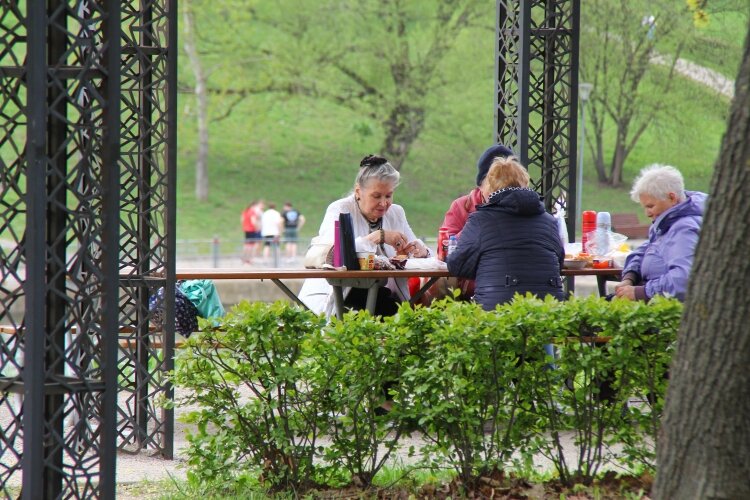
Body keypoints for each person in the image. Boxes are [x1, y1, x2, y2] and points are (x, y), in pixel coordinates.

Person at [299, 154, 429, 317]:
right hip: (337, 296)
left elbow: (414, 254)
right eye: (376, 196)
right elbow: (336, 255)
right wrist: (376, 237)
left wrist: (419, 250)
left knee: (396, 313)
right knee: (387, 312)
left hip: (382, 295)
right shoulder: (339, 209)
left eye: (388, 195)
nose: (384, 203)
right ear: (358, 191)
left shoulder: (396, 212)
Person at [447, 155, 565, 309]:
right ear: (524, 182)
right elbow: (559, 261)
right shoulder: (549, 221)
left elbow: (457, 265)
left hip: (498, 311)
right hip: (549, 311)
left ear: (490, 185)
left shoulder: (480, 220)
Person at [431, 144, 514, 301]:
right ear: (481, 184)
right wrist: (480, 224)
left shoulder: (524, 210)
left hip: (510, 280)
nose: (500, 189)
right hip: (470, 283)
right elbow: (447, 251)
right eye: (493, 183)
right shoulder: (461, 206)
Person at [614, 164, 707, 302]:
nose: (647, 213)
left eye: (650, 206)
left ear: (672, 198)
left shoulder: (684, 229)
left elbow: (683, 280)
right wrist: (630, 277)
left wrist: (641, 292)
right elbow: (645, 250)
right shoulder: (666, 222)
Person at [240, 200, 262, 264]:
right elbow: (253, 221)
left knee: (246, 244)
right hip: (251, 230)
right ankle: (249, 259)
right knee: (251, 245)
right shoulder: (252, 212)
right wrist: (257, 228)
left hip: (246, 229)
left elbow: (242, 220)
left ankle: (244, 257)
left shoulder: (245, 211)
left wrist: (245, 225)